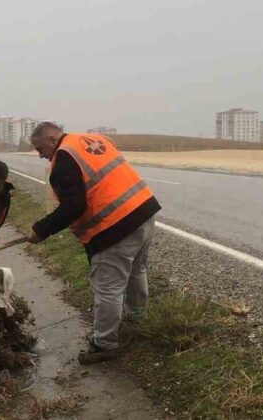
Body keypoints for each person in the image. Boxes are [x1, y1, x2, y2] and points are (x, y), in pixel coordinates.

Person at [27, 122, 161, 364]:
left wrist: (41, 230)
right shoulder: (89, 140)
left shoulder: (64, 159)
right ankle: (138, 319)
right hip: (144, 210)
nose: (40, 155)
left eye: (39, 148)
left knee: (108, 287)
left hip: (115, 225)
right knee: (136, 271)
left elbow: (73, 207)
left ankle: (104, 344)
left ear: (50, 138)